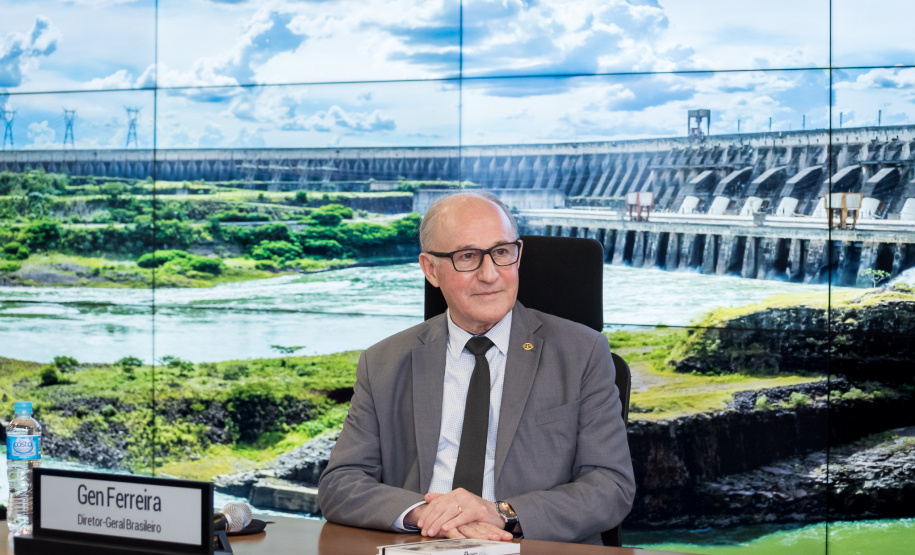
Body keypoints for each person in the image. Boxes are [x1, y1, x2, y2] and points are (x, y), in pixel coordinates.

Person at [318, 192, 635, 545]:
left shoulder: (582, 353)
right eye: (467, 257)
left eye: (501, 253)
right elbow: (340, 483)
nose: (490, 274)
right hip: (421, 545)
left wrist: (501, 513)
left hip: (527, 546)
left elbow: (610, 485)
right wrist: (425, 514)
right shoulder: (384, 361)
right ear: (430, 269)